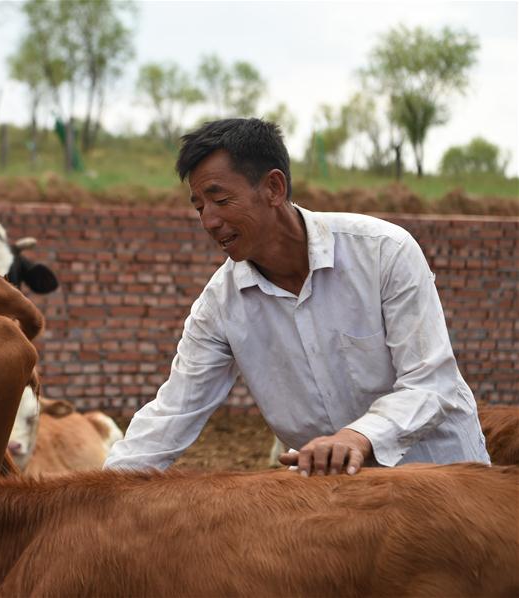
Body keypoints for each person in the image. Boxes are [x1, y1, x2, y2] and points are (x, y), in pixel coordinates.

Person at [104, 118, 490, 476]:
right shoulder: (219, 308)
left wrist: (358, 437)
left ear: (274, 188)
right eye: (199, 206)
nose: (209, 221)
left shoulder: (382, 252)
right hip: (335, 504)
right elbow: (172, 413)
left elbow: (430, 382)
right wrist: (92, 493)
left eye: (220, 201)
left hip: (444, 486)